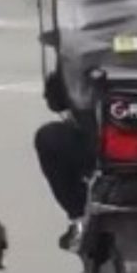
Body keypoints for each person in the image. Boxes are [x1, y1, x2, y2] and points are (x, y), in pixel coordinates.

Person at [34, 62, 97, 250]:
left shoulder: (87, 51)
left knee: (49, 139)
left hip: (104, 148)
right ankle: (80, 217)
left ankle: (79, 216)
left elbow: (56, 100)